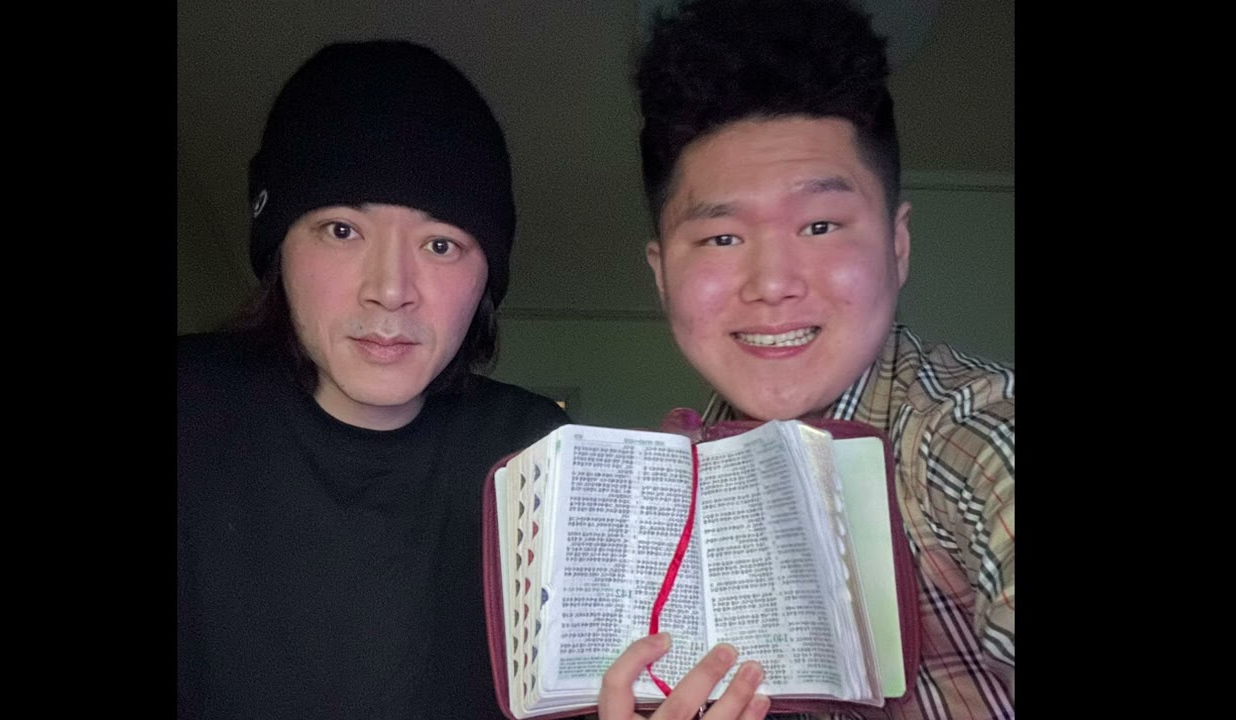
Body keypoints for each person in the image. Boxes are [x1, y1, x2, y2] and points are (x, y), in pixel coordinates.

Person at [598, 0, 1015, 718]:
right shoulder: (665, 497)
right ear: (662, 274)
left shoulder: (965, 430)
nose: (772, 284)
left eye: (820, 225)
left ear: (897, 246)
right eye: (722, 238)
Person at [177, 40, 570, 719]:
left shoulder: (537, 451)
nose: (390, 289)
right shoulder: (190, 409)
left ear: (485, 276)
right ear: (278, 249)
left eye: (440, 244)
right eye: (341, 230)